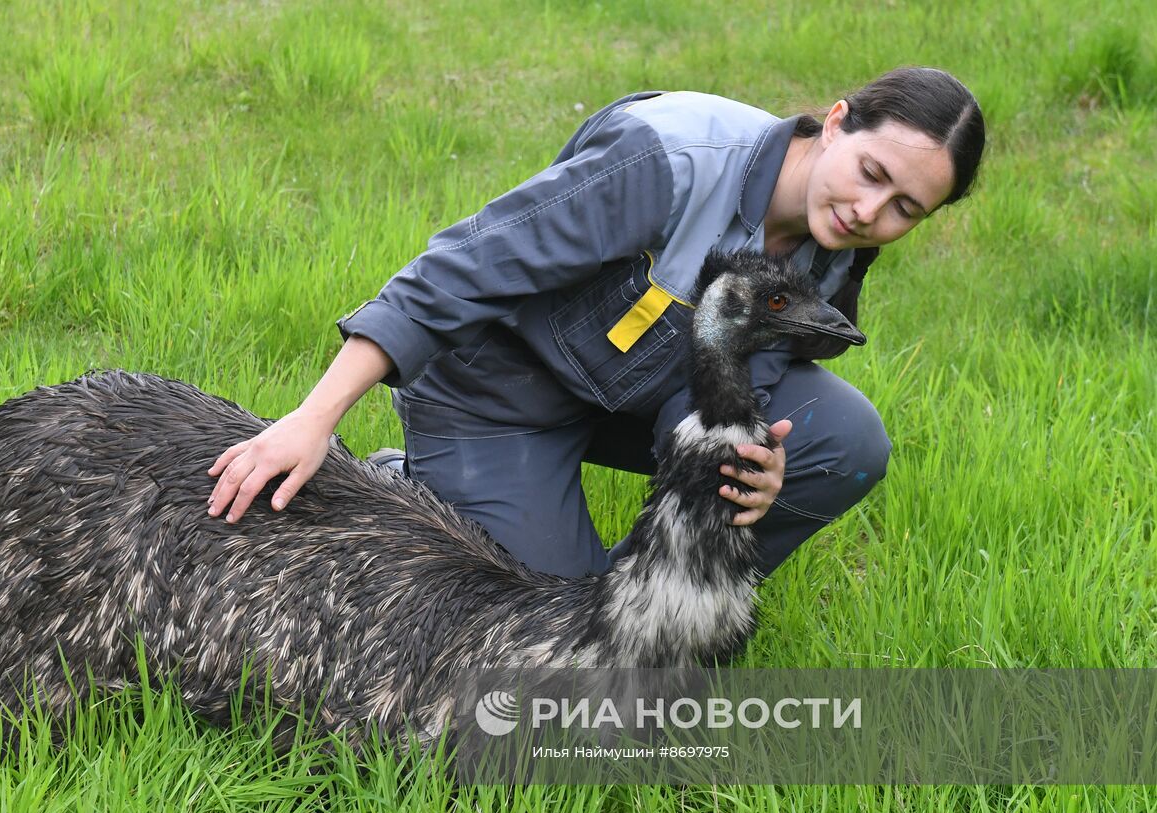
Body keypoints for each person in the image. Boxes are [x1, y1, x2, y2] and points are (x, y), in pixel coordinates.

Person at [205, 67, 985, 579]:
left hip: (638, 393)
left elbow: (742, 375)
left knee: (843, 443)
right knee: (543, 639)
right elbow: (455, 272)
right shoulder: (669, 158)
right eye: (872, 174)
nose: (867, 212)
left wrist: (745, 463)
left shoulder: (835, 248)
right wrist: (311, 418)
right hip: (496, 397)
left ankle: (661, 606)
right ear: (838, 119)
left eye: (905, 210)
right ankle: (402, 484)